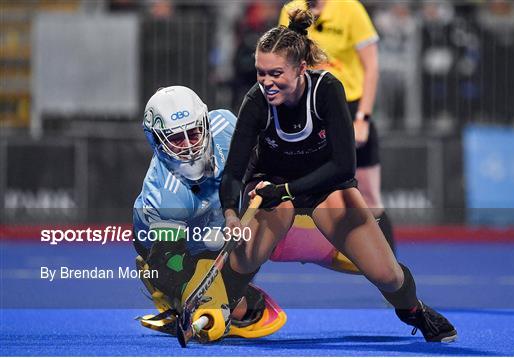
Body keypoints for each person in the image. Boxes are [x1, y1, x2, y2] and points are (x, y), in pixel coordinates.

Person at [219, 9, 457, 342]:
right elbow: (232, 171)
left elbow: (344, 166)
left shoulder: (328, 90)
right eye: (261, 73)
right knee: (245, 257)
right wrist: (231, 215)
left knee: (388, 275)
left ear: (301, 69)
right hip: (272, 190)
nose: (267, 82)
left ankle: (414, 311)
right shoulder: (256, 100)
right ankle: (220, 309)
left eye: (276, 73)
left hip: (326, 186)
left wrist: (286, 189)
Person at [132, 86, 286, 342]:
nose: (191, 148)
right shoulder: (163, 194)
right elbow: (165, 260)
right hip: (172, 248)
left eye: (193, 133)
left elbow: (262, 161)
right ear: (156, 141)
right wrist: (203, 294)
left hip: (221, 222)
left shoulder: (225, 125)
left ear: (205, 122)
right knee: (245, 311)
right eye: (177, 139)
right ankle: (169, 293)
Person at [278, 0, 396, 253]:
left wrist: (362, 118)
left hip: (350, 108)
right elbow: (284, 63)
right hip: (311, 110)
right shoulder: (291, 8)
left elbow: (372, 67)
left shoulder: (350, 8)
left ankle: (393, 271)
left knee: (368, 196)